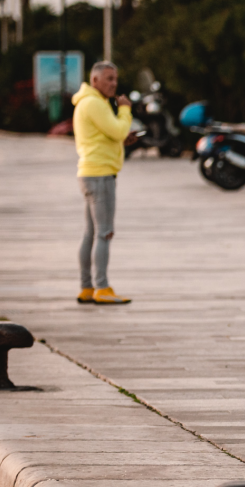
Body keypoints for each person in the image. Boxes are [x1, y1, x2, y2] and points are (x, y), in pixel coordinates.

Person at [73, 62, 138, 306]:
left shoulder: (88, 103)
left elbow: (107, 136)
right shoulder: (94, 103)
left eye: (115, 79)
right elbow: (118, 129)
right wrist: (124, 111)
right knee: (104, 232)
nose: (113, 84)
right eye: (108, 79)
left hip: (91, 173)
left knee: (91, 233)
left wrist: (121, 140)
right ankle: (101, 287)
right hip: (100, 176)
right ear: (95, 80)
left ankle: (87, 287)